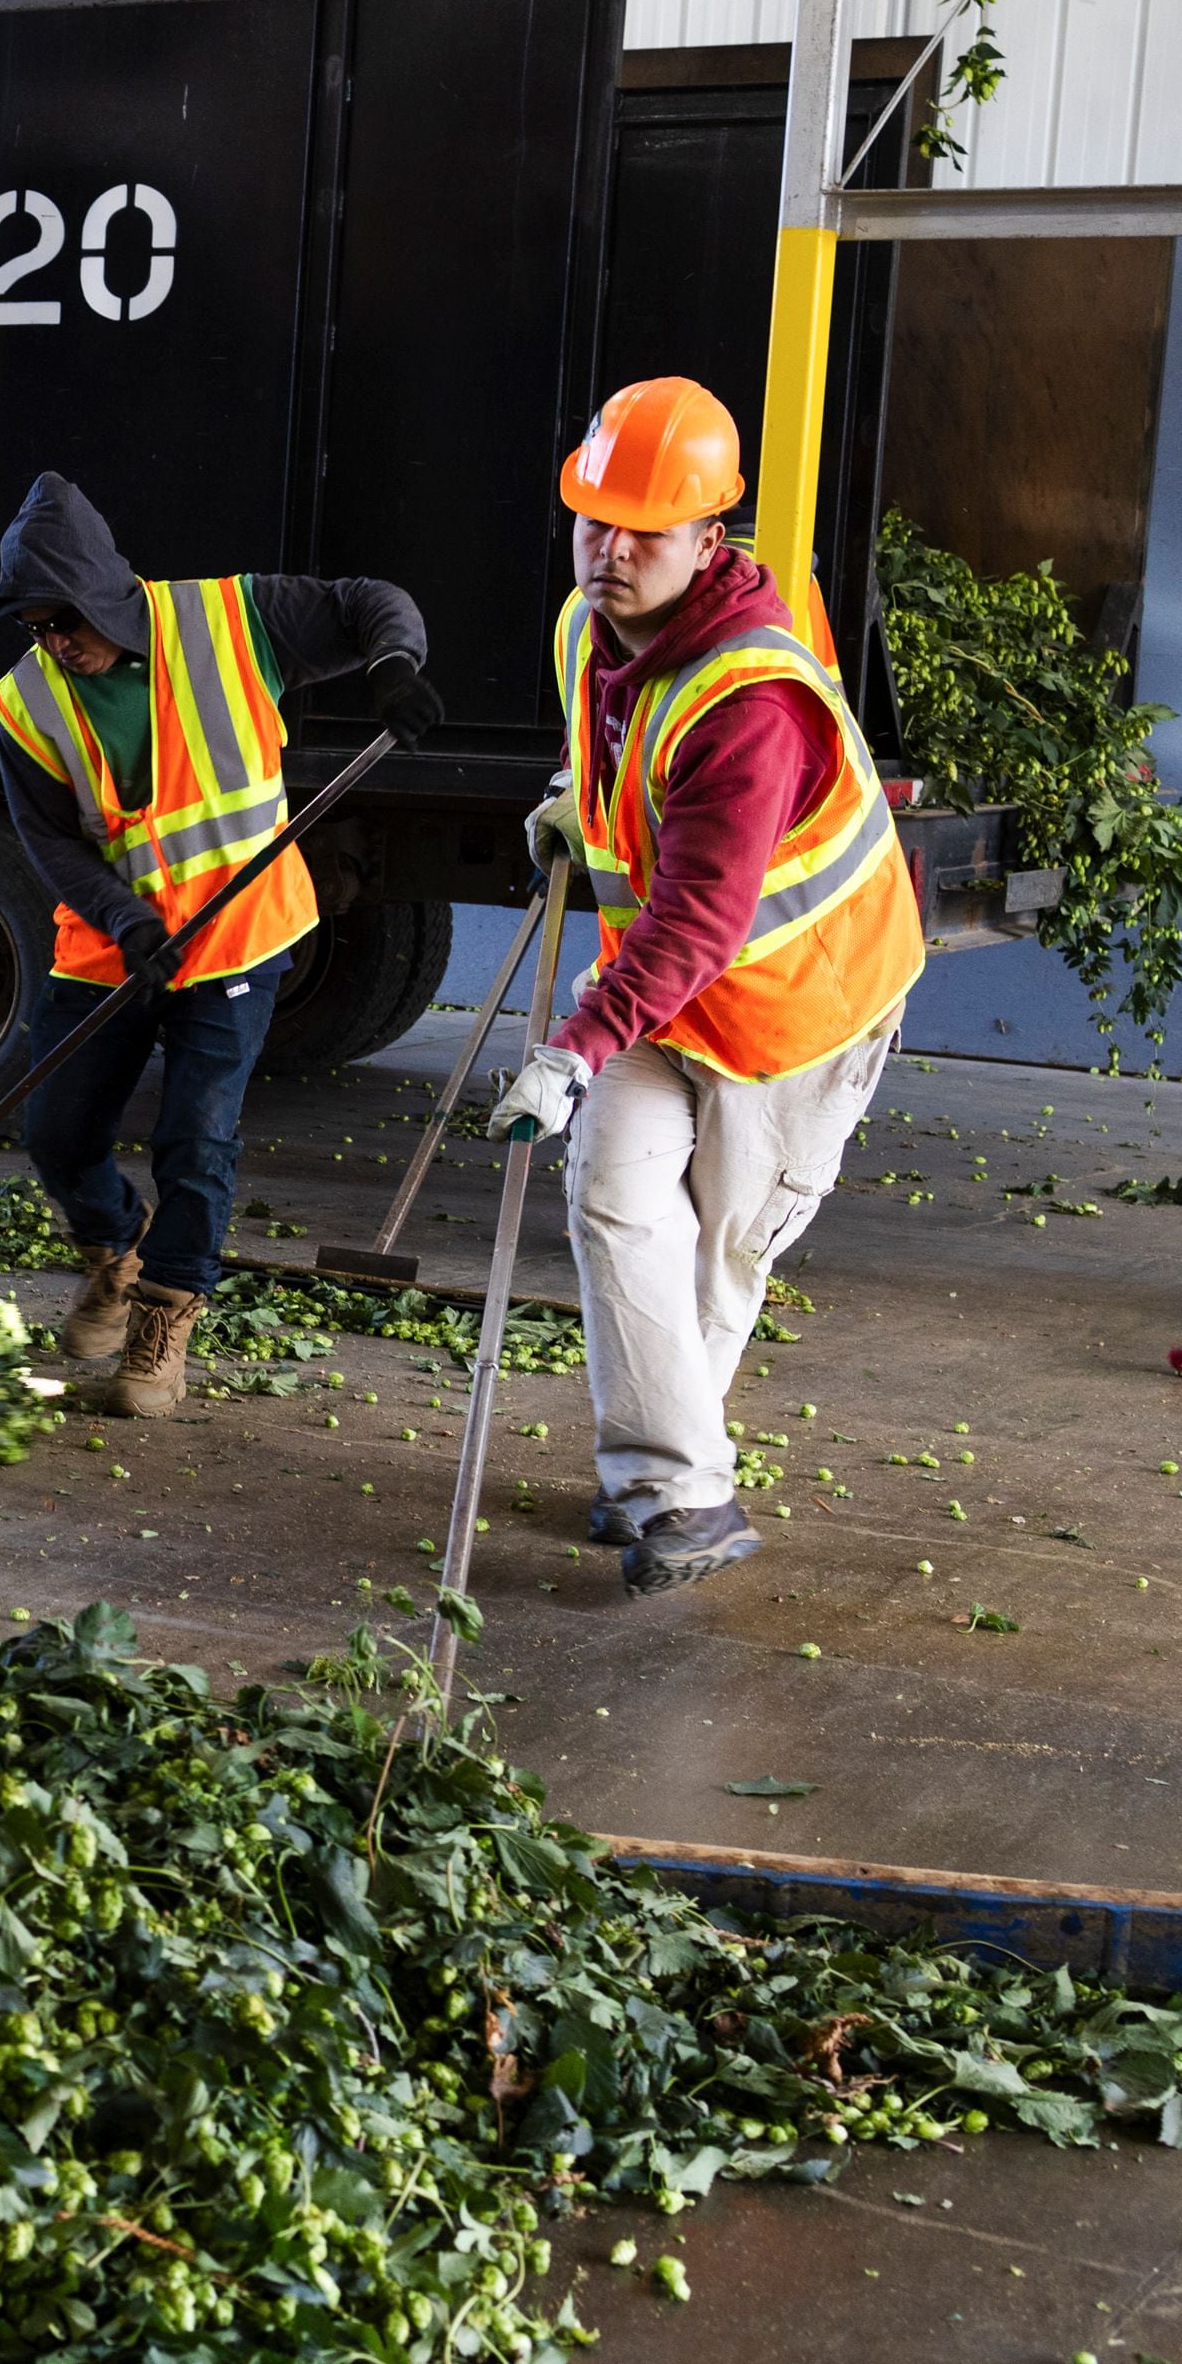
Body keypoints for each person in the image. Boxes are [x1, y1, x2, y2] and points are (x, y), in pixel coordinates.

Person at [488, 377, 923, 1593]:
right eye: (595, 520)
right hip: (660, 993)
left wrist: (570, 1050)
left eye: (646, 528)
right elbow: (621, 763)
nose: (612, 549)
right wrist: (573, 809)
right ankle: (676, 1490)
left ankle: (664, 1480)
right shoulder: (587, 628)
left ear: (707, 536)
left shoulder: (755, 698)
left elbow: (701, 915)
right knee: (614, 1196)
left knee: (717, 1261)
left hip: (800, 1010)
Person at [0, 473, 442, 1415]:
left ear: (103, 595)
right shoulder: (28, 705)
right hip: (116, 946)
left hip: (237, 939)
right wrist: (128, 919)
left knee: (197, 1141)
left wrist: (393, 664)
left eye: (62, 620)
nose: (55, 644)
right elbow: (51, 845)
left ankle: (162, 1325)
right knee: (59, 1132)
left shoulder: (231, 621)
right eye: (36, 627)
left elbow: (371, 604)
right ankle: (115, 1251)